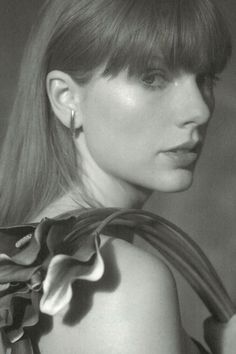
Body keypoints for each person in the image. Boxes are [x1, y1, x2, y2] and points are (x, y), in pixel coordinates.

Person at [0, 0, 234, 353]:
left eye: (204, 78)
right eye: (153, 77)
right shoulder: (117, 281)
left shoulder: (29, 263)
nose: (199, 110)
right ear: (65, 98)